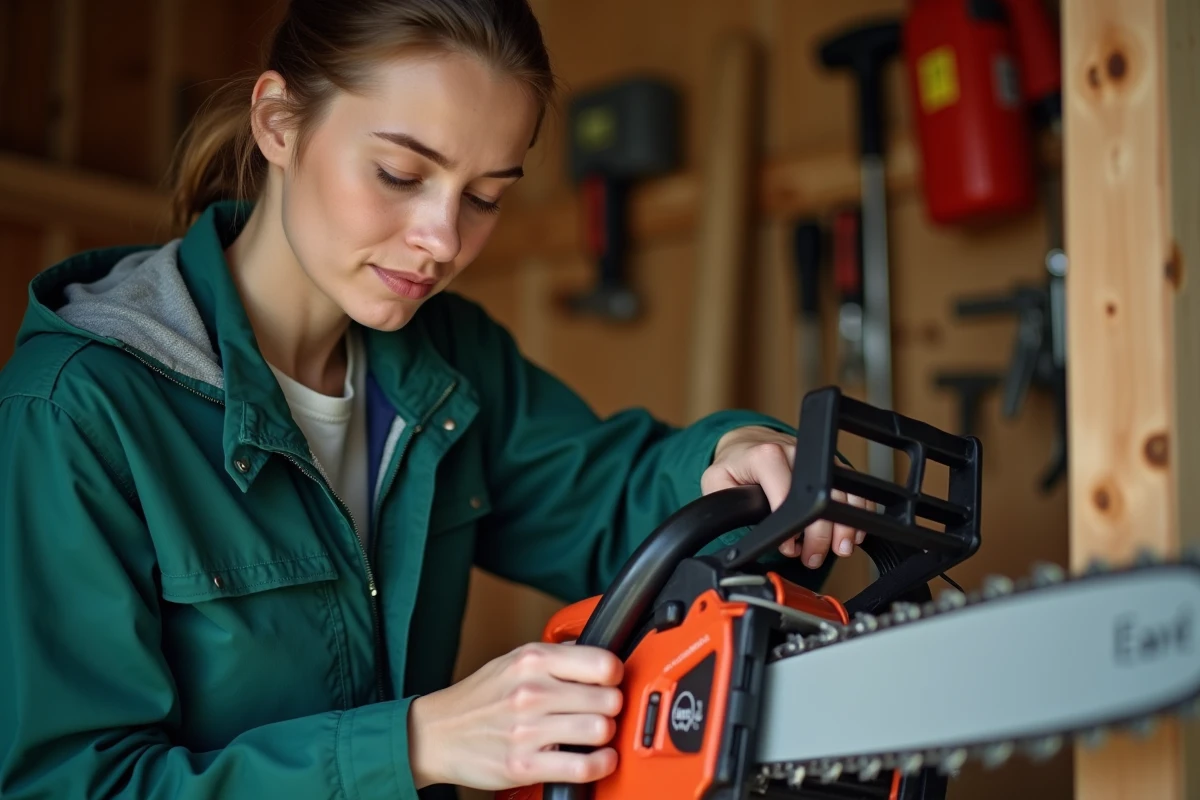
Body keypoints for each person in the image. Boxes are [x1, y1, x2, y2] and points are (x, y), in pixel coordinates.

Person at [0, 1, 869, 798]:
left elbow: (612, 500)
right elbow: (68, 783)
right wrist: (414, 743)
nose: (443, 240)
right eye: (399, 172)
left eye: (486, 195)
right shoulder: (81, 408)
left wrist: (730, 454)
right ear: (278, 121)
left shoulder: (449, 359)